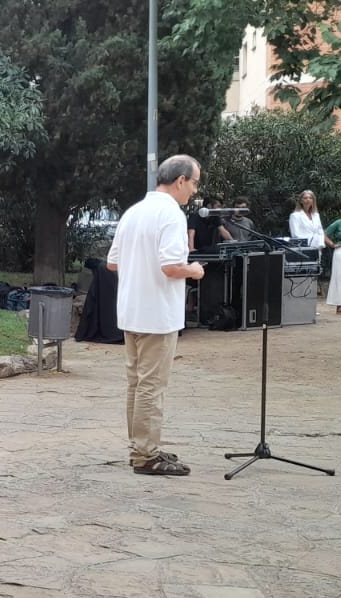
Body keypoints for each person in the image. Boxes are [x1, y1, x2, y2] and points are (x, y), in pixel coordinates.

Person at [105, 155, 206, 476]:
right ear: (180, 180)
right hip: (157, 313)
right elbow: (171, 266)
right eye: (194, 182)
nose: (194, 190)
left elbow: (113, 263)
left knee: (137, 384)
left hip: (132, 310)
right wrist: (195, 270)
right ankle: (145, 455)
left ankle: (141, 446)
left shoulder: (133, 211)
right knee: (152, 385)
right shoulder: (171, 214)